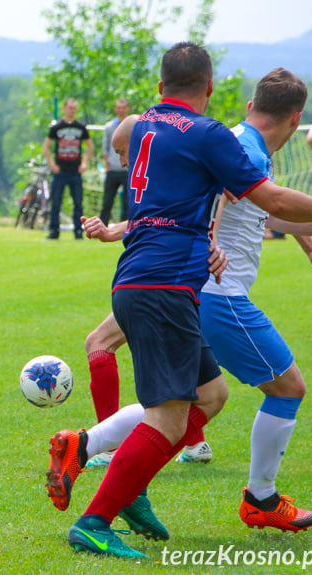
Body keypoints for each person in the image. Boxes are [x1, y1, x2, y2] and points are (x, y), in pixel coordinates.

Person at [46, 45, 312, 559]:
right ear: (210, 90)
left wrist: (220, 235)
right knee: (175, 417)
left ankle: (100, 462)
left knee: (209, 397)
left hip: (141, 276)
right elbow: (271, 200)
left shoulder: (143, 127)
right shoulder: (211, 136)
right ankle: (96, 514)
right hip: (171, 283)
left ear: (159, 88)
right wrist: (211, 238)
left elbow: (124, 136)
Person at [82, 116, 212, 470]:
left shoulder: (179, 155)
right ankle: (195, 442)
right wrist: (112, 232)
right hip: (172, 279)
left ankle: (104, 447)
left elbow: (236, 200)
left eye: (123, 151)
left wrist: (217, 243)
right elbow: (162, 218)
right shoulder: (169, 156)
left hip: (170, 280)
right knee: (209, 389)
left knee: (178, 395)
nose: (123, 162)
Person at [42, 98, 93, 240]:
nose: (72, 111)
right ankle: (54, 230)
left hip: (75, 170)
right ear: (64, 108)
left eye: (74, 108)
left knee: (78, 202)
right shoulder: (56, 127)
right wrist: (52, 164)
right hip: (60, 170)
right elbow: (46, 146)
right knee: (56, 201)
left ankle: (78, 231)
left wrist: (84, 163)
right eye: (70, 108)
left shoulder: (81, 127)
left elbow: (90, 147)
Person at [100, 98, 130, 225]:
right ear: (115, 109)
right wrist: (107, 165)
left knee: (127, 202)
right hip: (113, 169)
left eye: (123, 107)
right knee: (107, 201)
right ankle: (102, 226)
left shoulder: (134, 125)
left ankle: (125, 228)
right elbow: (105, 148)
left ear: (128, 109)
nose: (121, 110)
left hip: (127, 169)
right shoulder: (109, 127)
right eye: (119, 107)